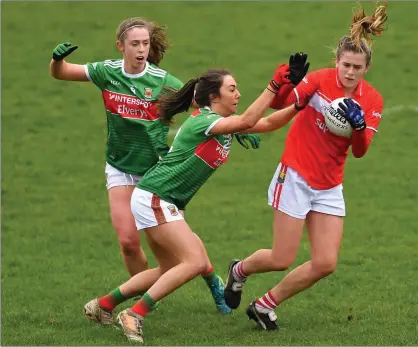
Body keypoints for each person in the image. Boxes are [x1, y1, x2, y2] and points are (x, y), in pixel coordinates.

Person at [83, 55, 310, 343]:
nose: (238, 94)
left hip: (158, 198)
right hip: (156, 197)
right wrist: (275, 84)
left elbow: (265, 124)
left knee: (167, 269)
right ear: (214, 96)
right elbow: (250, 119)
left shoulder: (221, 122)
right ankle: (135, 314)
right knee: (193, 261)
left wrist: (299, 104)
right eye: (232, 89)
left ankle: (102, 305)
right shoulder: (204, 120)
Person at [49, 17, 255, 313]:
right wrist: (56, 60)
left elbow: (207, 108)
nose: (141, 49)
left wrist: (239, 128)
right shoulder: (107, 72)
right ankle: (144, 297)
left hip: (157, 172)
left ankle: (211, 281)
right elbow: (62, 73)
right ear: (121, 46)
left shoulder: (162, 81)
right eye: (135, 44)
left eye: (145, 43)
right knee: (129, 243)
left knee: (180, 246)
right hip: (120, 167)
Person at [223, 3, 388, 330]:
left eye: (357, 67)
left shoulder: (372, 101)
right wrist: (288, 81)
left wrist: (357, 128)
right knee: (281, 258)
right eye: (345, 65)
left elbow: (360, 152)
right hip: (296, 175)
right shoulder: (318, 81)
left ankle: (265, 305)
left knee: (326, 262)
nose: (350, 72)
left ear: (366, 68)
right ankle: (239, 270)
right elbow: (284, 104)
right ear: (336, 62)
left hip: (329, 184)